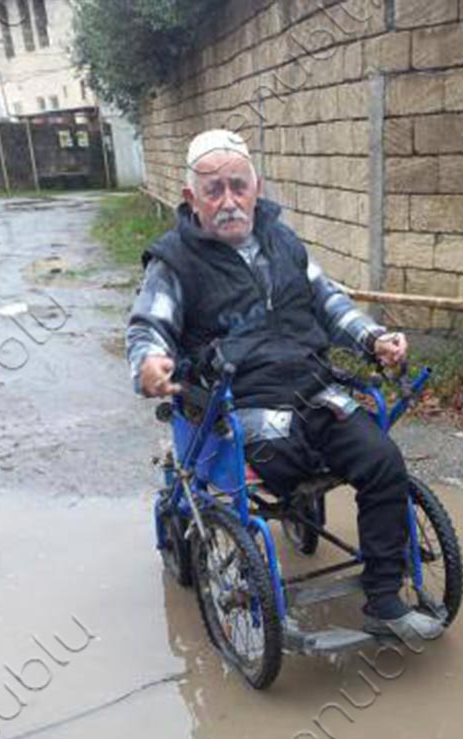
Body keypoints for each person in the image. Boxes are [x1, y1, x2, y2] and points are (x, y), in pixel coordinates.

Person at [126, 128, 444, 643]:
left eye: (238, 186)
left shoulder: (285, 243)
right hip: (240, 406)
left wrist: (374, 338)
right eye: (213, 190)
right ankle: (275, 594)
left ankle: (384, 599)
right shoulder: (174, 262)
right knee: (286, 461)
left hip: (315, 391)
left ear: (257, 187)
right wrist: (149, 362)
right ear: (191, 197)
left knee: (383, 460)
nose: (229, 201)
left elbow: (330, 303)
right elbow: (149, 325)